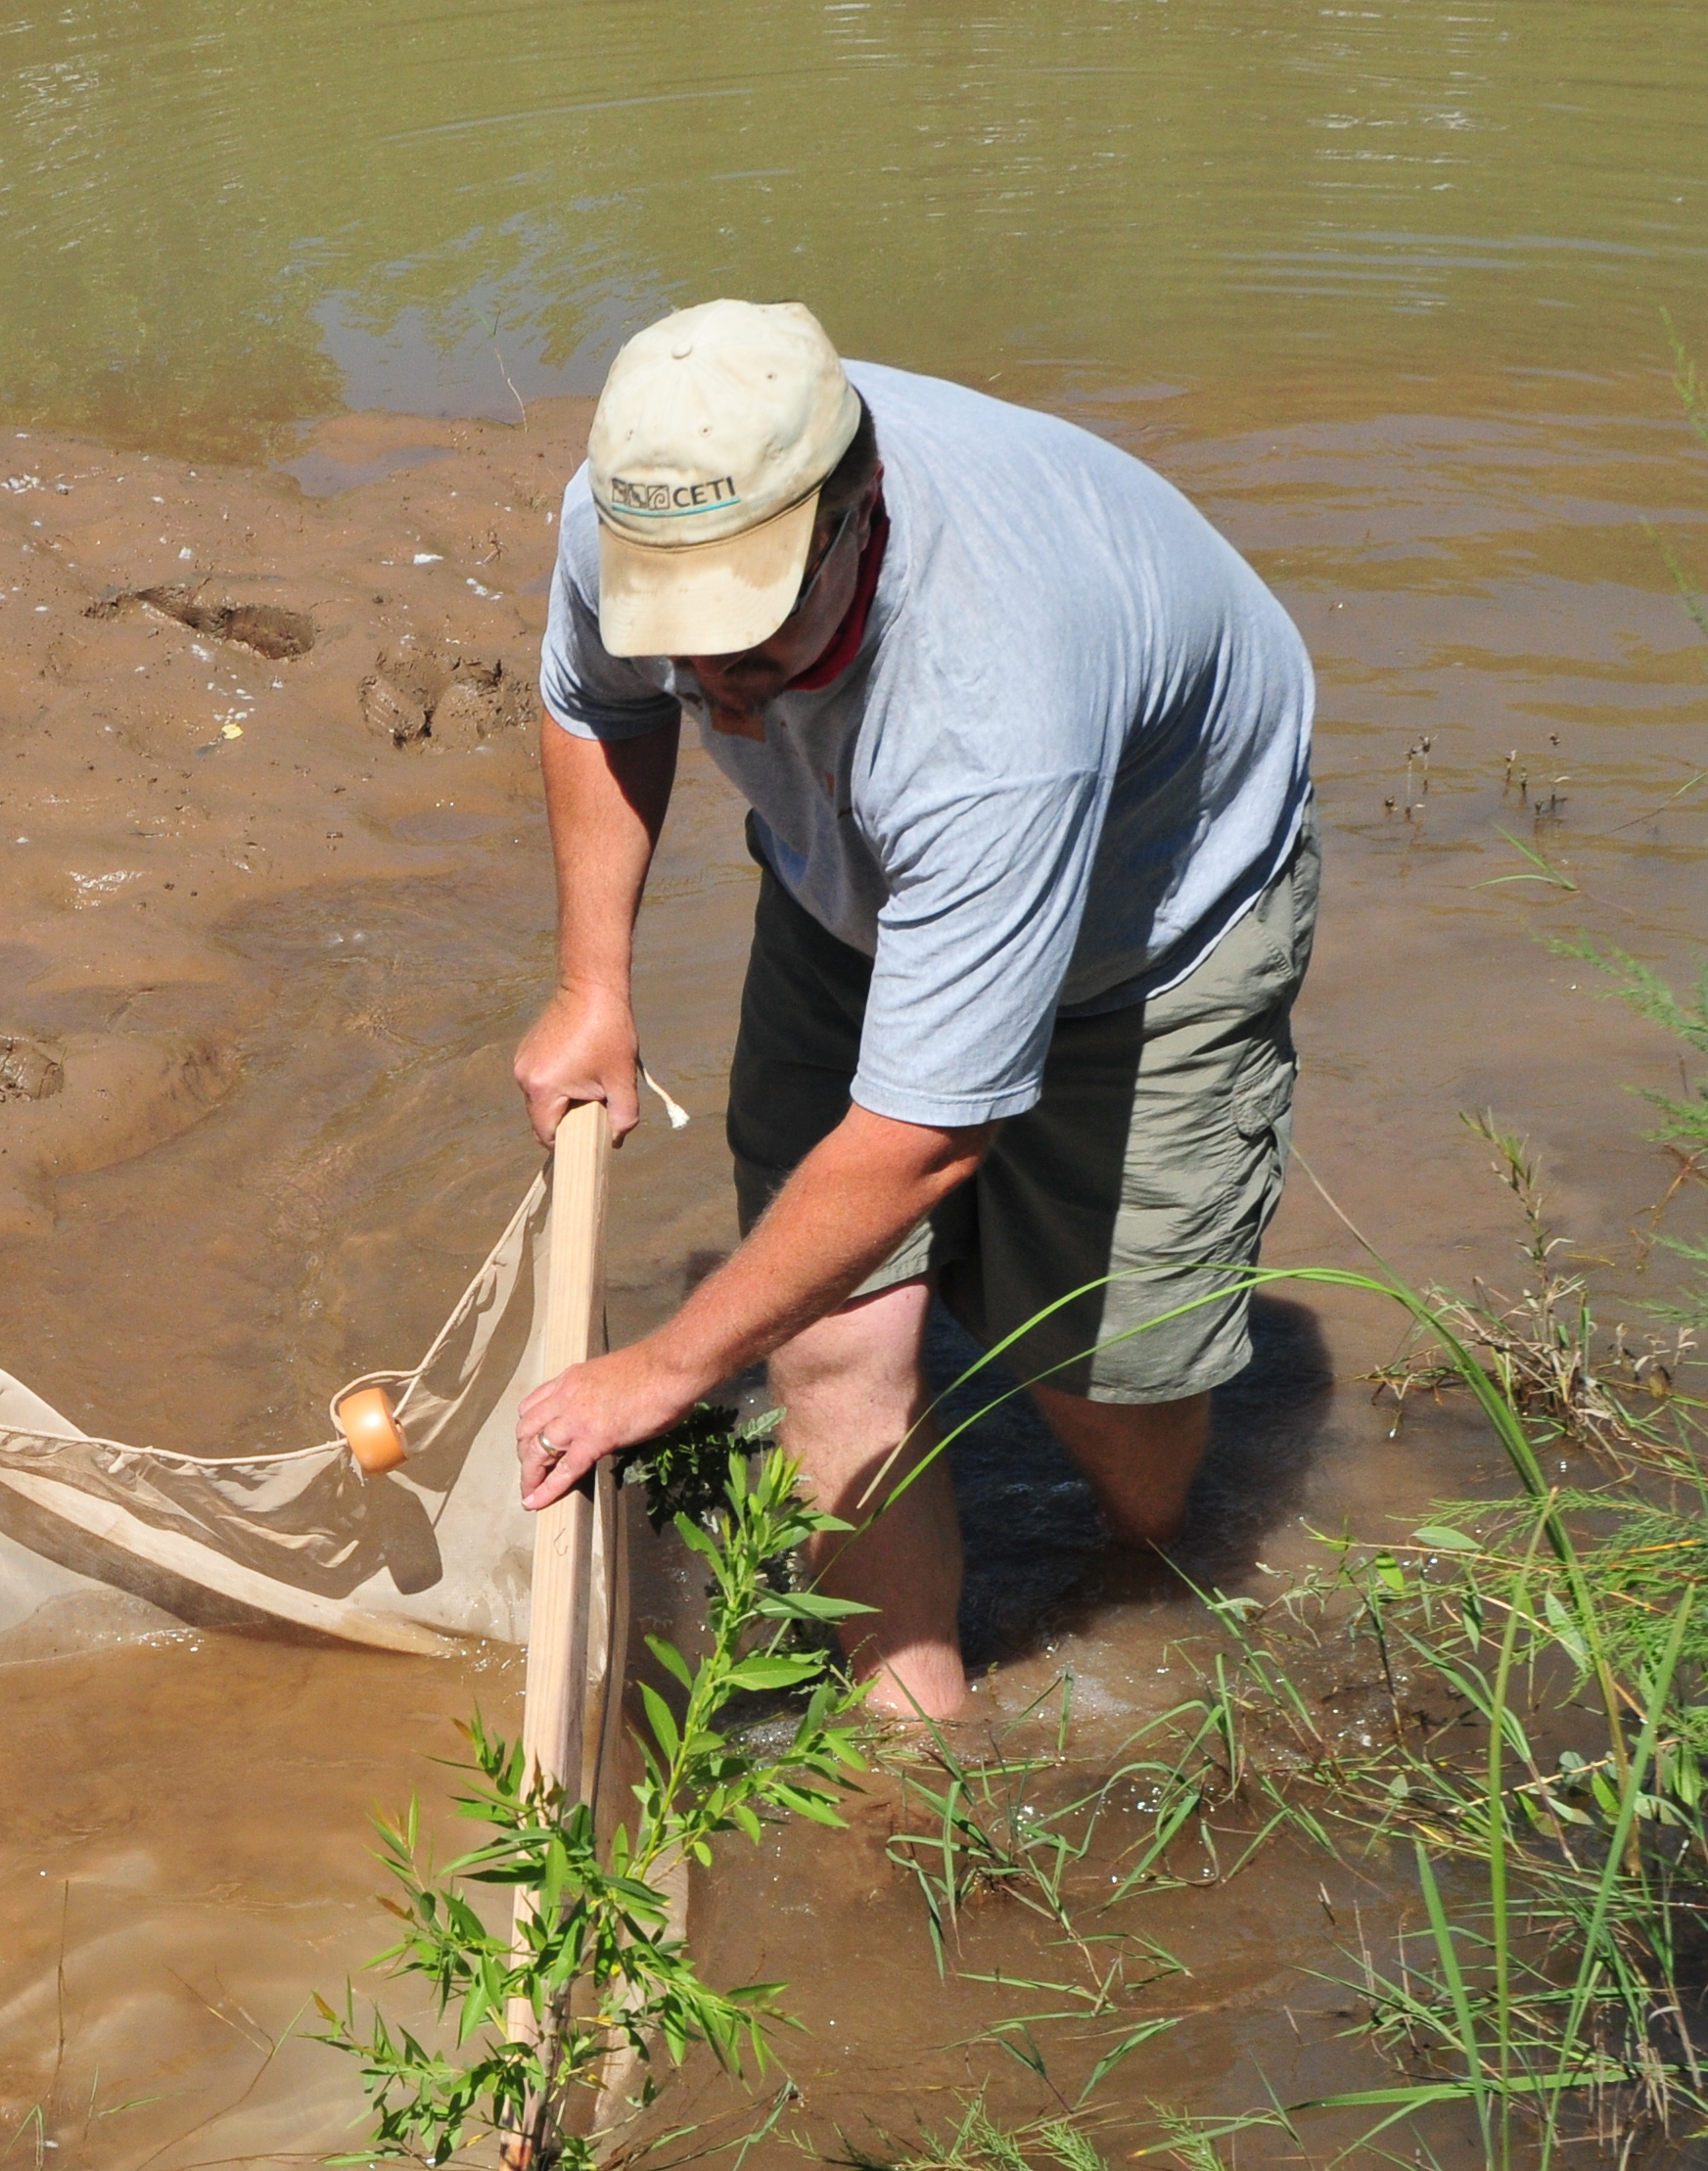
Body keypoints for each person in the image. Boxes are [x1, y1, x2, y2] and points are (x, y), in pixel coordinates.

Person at [509, 298, 1316, 1721]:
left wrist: (668, 1366)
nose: (712, 690)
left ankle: (1131, 1528)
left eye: (747, 650)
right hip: (858, 883)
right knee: (827, 1331)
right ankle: (918, 1769)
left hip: (1151, 927)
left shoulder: (990, 712)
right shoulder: (628, 510)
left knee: (1115, 1421)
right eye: (683, 645)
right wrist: (594, 987)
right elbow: (597, 702)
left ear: (853, 518)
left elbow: (922, 1138)